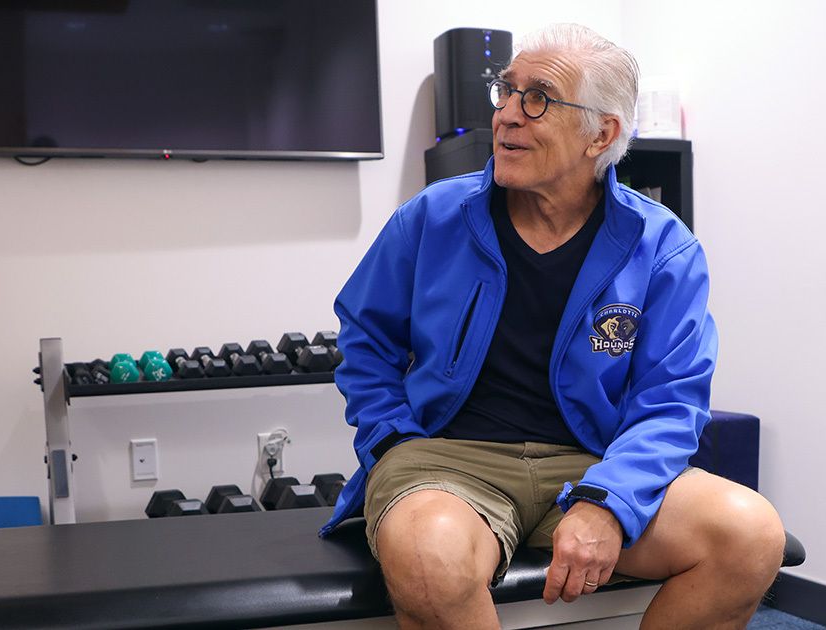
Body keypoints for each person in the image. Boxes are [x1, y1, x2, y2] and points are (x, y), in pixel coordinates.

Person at [319, 23, 786, 630]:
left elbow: (670, 404)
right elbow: (365, 340)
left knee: (751, 534)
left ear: (603, 134)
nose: (508, 115)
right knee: (431, 560)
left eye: (537, 98)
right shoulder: (432, 218)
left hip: (593, 460)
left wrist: (607, 502)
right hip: (447, 463)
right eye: (505, 92)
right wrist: (392, 443)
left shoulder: (664, 248)